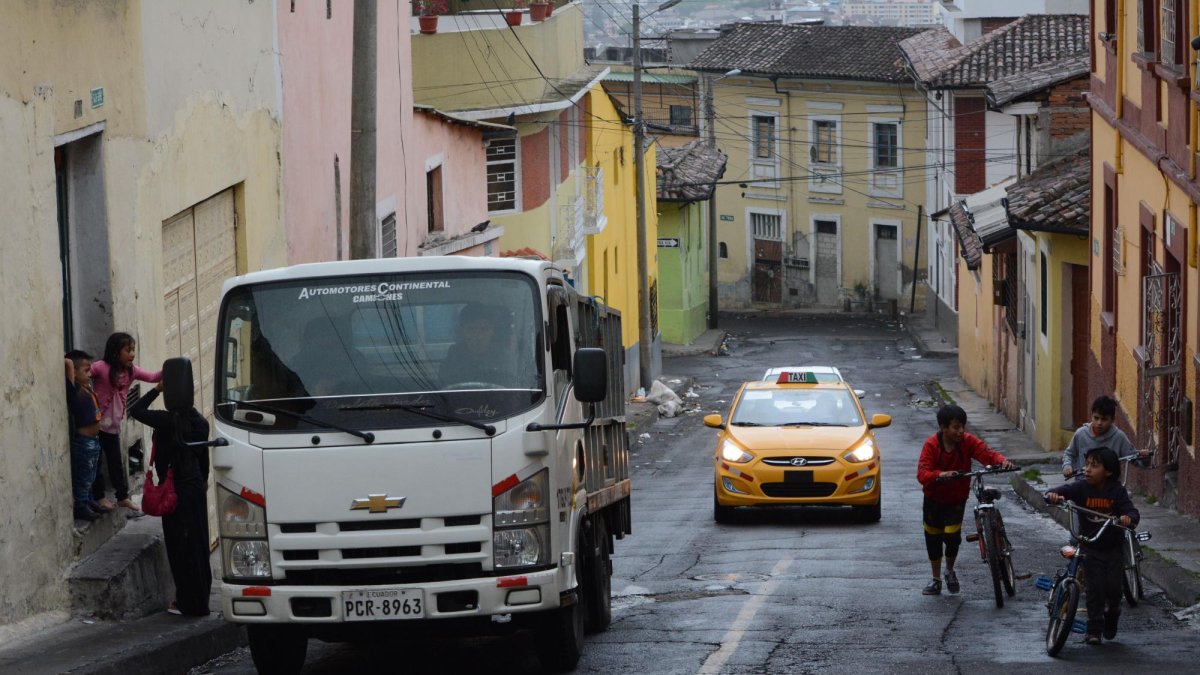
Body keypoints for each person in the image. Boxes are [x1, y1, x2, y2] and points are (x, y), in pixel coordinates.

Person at [128, 376, 212, 617]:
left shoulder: (166, 421)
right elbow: (203, 457)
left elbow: (136, 410)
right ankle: (200, 600)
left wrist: (156, 388)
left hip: (175, 490)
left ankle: (186, 602)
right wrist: (203, 480)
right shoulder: (199, 422)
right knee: (197, 543)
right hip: (195, 486)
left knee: (179, 547)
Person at [916, 404, 1016, 596]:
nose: (961, 431)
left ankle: (950, 571)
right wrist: (941, 474)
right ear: (943, 428)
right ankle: (936, 579)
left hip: (956, 500)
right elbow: (922, 473)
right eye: (956, 427)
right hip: (933, 499)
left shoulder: (968, 442)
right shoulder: (931, 445)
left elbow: (986, 453)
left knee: (952, 537)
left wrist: (1001, 461)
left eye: (963, 426)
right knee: (933, 539)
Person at [1046, 447, 1139, 644]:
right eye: (1086, 464)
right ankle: (1094, 629)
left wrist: (1127, 518)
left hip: (1113, 549)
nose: (1087, 469)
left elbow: (1131, 512)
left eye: (1094, 466)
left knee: (1113, 589)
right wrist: (1054, 495)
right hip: (1089, 547)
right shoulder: (1080, 487)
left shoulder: (1117, 491)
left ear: (1108, 471)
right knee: (1095, 589)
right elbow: (1061, 491)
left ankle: (1113, 613)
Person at [90, 332, 161, 513]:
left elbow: (153, 377)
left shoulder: (132, 372)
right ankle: (99, 497)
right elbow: (83, 373)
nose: (132, 354)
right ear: (115, 352)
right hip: (95, 426)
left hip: (112, 427)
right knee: (96, 462)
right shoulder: (101, 368)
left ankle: (122, 497)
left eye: (133, 350)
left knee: (116, 463)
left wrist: (170, 368)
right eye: (128, 350)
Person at [1062, 395, 1149, 478]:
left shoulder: (1119, 437)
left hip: (1110, 486)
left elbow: (1133, 457)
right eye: (1096, 418)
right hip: (1083, 482)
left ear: (1112, 419)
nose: (1099, 423)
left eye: (1104, 419)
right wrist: (1067, 466)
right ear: (1091, 415)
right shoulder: (1081, 434)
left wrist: (1144, 457)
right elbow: (1069, 454)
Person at [65, 351, 104, 521]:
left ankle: (88, 500)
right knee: (83, 476)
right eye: (86, 371)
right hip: (84, 442)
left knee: (91, 474)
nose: (90, 374)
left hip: (93, 442)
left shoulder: (86, 387)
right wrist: (68, 360)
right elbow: (68, 363)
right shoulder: (74, 388)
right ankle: (80, 505)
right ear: (74, 372)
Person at [439, 304, 516, 387]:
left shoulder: (507, 363)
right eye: (471, 329)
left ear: (493, 332)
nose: (478, 337)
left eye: (484, 329)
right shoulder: (450, 365)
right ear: (462, 332)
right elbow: (442, 397)